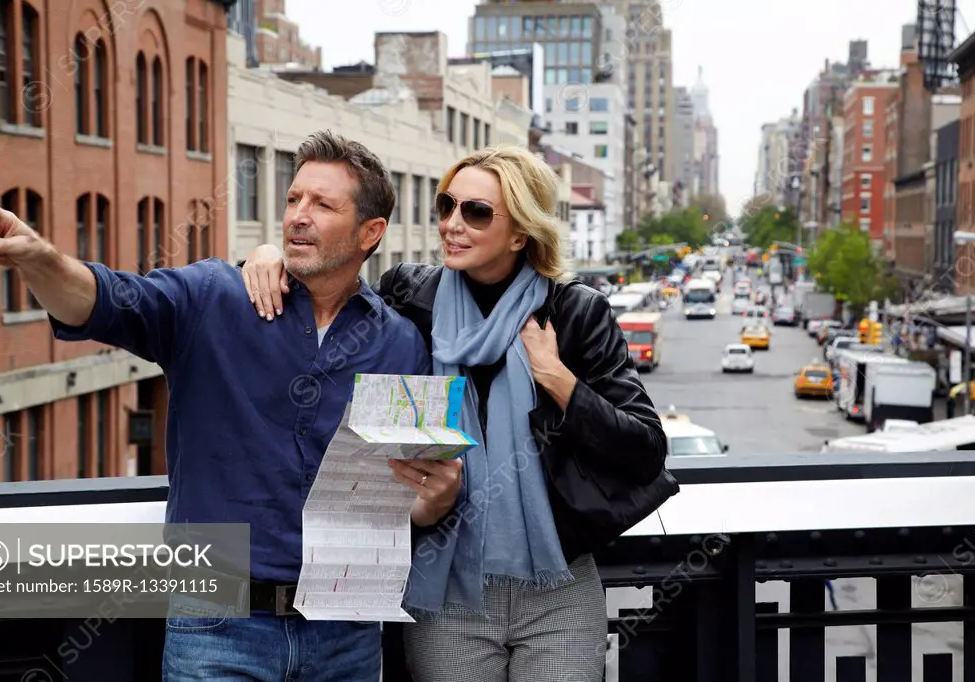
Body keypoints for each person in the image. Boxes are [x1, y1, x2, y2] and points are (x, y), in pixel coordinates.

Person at [0, 129, 463, 682]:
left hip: (348, 631)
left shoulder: (401, 343)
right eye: (294, 198)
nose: (298, 215)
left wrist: (431, 504)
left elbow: (396, 494)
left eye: (323, 204)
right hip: (218, 625)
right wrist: (40, 261)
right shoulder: (213, 297)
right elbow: (105, 300)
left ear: (371, 232)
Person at [240, 146, 669, 681]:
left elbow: (646, 449)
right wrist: (264, 257)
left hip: (557, 586)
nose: (453, 224)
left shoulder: (575, 313)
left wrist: (558, 379)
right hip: (445, 586)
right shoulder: (410, 298)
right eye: (447, 206)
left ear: (520, 232)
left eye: (477, 212)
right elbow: (325, 297)